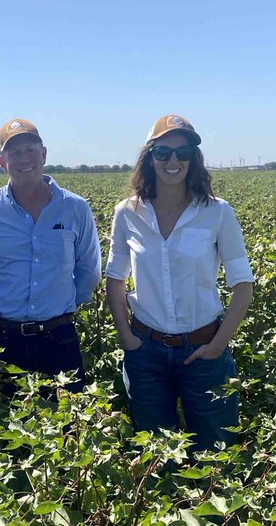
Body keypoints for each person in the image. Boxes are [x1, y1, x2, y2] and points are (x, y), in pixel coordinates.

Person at [105, 113, 254, 450]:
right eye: (163, 153)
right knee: (156, 457)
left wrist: (218, 345)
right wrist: (127, 338)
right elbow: (115, 279)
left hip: (205, 350)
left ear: (193, 160)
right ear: (150, 158)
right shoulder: (127, 213)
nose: (173, 161)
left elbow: (243, 284)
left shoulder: (217, 212)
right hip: (146, 352)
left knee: (216, 453)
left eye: (183, 153)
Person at [0, 118, 102, 389]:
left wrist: (66, 305)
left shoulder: (76, 208)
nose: (24, 158)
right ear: (2, 161)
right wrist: (3, 305)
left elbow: (89, 267)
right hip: (3, 338)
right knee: (5, 424)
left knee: (70, 424)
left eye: (30, 149)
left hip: (60, 335)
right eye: (14, 152)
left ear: (44, 154)